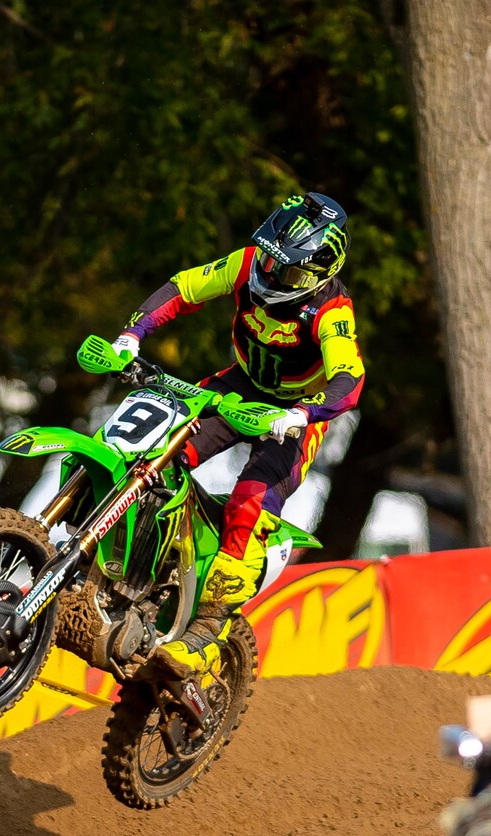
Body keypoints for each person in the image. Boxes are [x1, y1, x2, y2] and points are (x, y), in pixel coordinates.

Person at [97, 192, 365, 676]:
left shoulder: (333, 311)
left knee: (250, 501)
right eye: (269, 258)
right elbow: (184, 287)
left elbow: (350, 378)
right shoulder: (246, 265)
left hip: (292, 416)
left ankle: (205, 629)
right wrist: (132, 334)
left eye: (288, 272)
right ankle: (129, 569)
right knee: (155, 454)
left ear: (318, 275)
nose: (271, 274)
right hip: (237, 386)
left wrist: (307, 413)